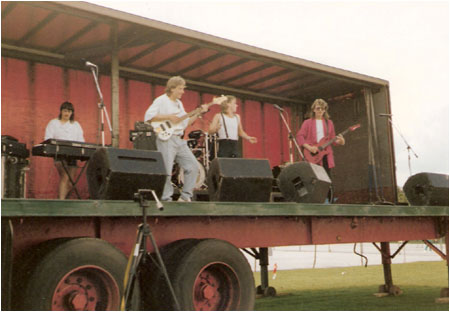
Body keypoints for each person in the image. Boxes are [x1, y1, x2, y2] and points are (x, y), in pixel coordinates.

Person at [144, 76, 211, 202]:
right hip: (166, 139)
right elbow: (148, 117)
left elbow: (185, 122)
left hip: (179, 140)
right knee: (167, 171)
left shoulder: (179, 104)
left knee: (193, 166)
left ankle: (186, 197)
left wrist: (198, 113)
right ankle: (166, 199)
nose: (182, 92)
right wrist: (169, 117)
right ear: (172, 88)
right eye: (180, 89)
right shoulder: (161, 100)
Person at [44, 101, 85, 199]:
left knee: (70, 181)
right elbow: (48, 138)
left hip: (73, 154)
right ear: (61, 111)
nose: (67, 113)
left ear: (72, 113)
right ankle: (61, 202)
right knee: (65, 176)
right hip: (59, 153)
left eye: (69, 111)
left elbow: (81, 140)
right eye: (65, 111)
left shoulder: (76, 125)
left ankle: (64, 202)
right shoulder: (53, 123)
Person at [296, 98, 345, 176]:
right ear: (314, 109)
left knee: (327, 179)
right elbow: (299, 137)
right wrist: (309, 148)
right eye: (318, 108)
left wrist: (340, 142)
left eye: (322, 108)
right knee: (314, 178)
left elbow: (332, 139)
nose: (320, 110)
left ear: (325, 110)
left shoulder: (329, 123)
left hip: (325, 154)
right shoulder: (307, 123)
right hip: (312, 153)